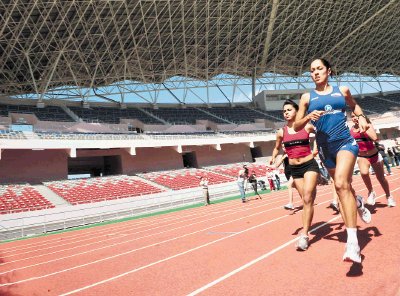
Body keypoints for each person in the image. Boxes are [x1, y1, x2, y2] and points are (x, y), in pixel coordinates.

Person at [293, 58, 371, 263]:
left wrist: (362, 117)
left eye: (319, 69)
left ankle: (352, 244)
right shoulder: (306, 98)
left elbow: (355, 107)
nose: (315, 73)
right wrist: (309, 117)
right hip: (326, 150)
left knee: (341, 184)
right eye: (311, 70)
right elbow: (296, 126)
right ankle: (358, 202)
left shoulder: (342, 90)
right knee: (343, 189)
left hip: (345, 143)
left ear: (328, 71)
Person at [270, 99, 320, 251]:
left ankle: (304, 234)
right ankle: (305, 230)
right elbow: (277, 148)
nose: (286, 113)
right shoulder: (281, 132)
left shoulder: (307, 126)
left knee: (307, 196)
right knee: (306, 201)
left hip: (309, 164)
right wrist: (273, 157)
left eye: (289, 110)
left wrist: (316, 148)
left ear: (297, 112)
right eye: (284, 111)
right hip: (295, 169)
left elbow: (320, 134)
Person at [350, 113, 396, 207]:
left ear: (361, 117)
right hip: (362, 156)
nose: (354, 118)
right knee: (364, 173)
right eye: (352, 117)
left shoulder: (368, 125)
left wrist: (364, 129)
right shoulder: (351, 129)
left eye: (356, 116)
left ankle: (388, 196)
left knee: (381, 178)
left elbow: (375, 138)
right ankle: (371, 192)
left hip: (374, 155)